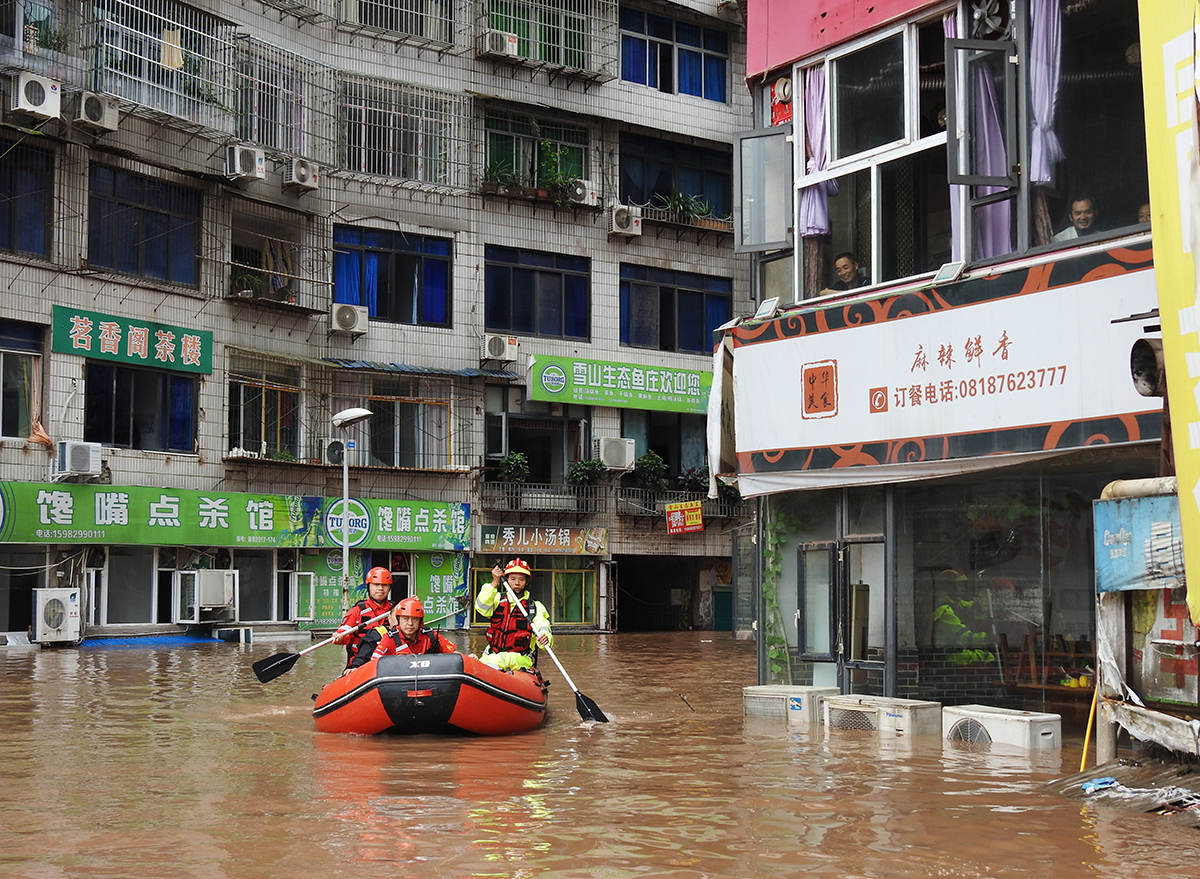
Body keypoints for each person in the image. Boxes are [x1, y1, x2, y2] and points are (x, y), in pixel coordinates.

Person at [474, 558, 552, 672]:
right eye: (513, 579)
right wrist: (494, 582)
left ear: (526, 582)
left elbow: (543, 627)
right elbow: (481, 607)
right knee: (484, 662)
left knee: (498, 660)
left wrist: (545, 637)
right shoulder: (497, 599)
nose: (517, 583)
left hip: (520, 658)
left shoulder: (535, 607)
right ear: (507, 580)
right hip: (492, 653)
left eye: (521, 579)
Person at [349, 596, 456, 668]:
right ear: (398, 620)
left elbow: (453, 654)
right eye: (405, 619)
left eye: (414, 619)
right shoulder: (389, 638)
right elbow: (374, 664)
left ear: (420, 621)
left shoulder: (430, 635)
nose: (410, 623)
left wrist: (469, 658)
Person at [331, 566, 394, 667]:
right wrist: (339, 636)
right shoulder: (357, 611)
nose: (380, 589)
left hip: (388, 664)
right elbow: (344, 632)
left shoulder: (395, 610)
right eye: (376, 585)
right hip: (360, 664)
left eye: (384, 585)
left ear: (389, 587)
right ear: (368, 586)